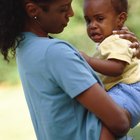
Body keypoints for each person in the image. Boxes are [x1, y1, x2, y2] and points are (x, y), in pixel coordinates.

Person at [0, 0, 139, 140]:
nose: (71, 13)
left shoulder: (25, 48)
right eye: (64, 8)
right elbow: (120, 122)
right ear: (32, 10)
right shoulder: (55, 52)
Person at [82, 0, 140, 137]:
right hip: (125, 91)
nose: (92, 26)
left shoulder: (116, 40)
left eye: (99, 19)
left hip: (128, 91)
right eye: (88, 20)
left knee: (105, 125)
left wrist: (88, 60)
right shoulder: (109, 42)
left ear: (120, 19)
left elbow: (117, 68)